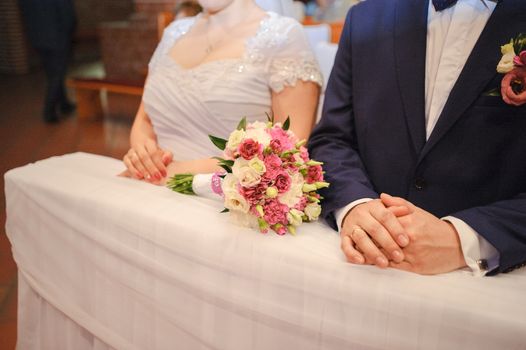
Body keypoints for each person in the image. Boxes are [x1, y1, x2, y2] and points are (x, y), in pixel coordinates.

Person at [308, 0, 526, 276]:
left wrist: (465, 238)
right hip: (362, 265)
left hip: (488, 279)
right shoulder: (366, 17)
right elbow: (331, 139)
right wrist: (355, 205)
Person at [122, 0, 322, 184]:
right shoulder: (173, 33)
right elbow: (145, 119)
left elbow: (287, 152)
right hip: (146, 186)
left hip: (221, 199)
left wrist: (176, 171)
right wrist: (143, 155)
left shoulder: (283, 36)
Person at [18, 0, 77, 123]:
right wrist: (68, 34)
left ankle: (64, 104)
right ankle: (48, 111)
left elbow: (24, 13)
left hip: (37, 39)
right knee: (57, 75)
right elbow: (68, 15)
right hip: (57, 38)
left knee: (52, 73)